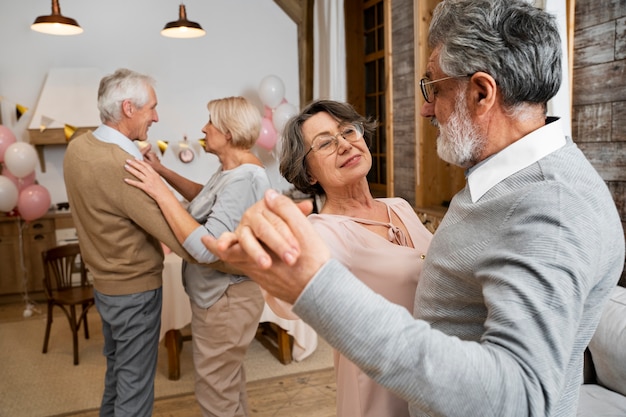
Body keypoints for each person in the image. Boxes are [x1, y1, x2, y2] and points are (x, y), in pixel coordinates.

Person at [201, 1, 626, 416]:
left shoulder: (546, 209)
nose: (425, 108)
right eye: (325, 142)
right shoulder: (513, 186)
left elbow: (522, 399)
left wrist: (317, 286)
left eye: (432, 87)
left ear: (481, 92)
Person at [273, 99, 432, 417]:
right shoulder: (321, 232)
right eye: (325, 143)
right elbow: (289, 300)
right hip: (379, 389)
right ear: (309, 172)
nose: (344, 144)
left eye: (348, 131)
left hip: (435, 371)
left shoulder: (399, 206)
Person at [123, 96, 270, 417]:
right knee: (227, 383)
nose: (203, 129)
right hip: (222, 298)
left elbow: (207, 247)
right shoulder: (233, 171)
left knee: (215, 391)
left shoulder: (245, 177)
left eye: (210, 123)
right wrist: (161, 171)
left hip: (226, 299)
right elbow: (206, 197)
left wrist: (160, 193)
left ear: (228, 132)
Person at [64, 68, 196, 417]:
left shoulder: (78, 147)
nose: (156, 116)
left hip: (105, 287)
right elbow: (177, 234)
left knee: (118, 376)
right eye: (151, 107)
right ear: (128, 108)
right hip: (135, 293)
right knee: (135, 391)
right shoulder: (122, 164)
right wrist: (226, 253)